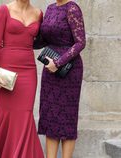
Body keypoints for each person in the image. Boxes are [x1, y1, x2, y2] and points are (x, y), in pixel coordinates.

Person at [0, 0, 44, 158]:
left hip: (28, 71)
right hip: (6, 71)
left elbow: (41, 40)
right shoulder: (4, 10)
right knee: (7, 114)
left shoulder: (39, 13)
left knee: (25, 114)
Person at [34, 0, 86, 158]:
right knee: (51, 117)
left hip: (69, 71)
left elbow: (80, 42)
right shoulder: (49, 9)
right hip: (50, 69)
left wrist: (58, 62)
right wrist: (22, 39)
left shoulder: (72, 8)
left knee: (67, 119)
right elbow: (44, 39)